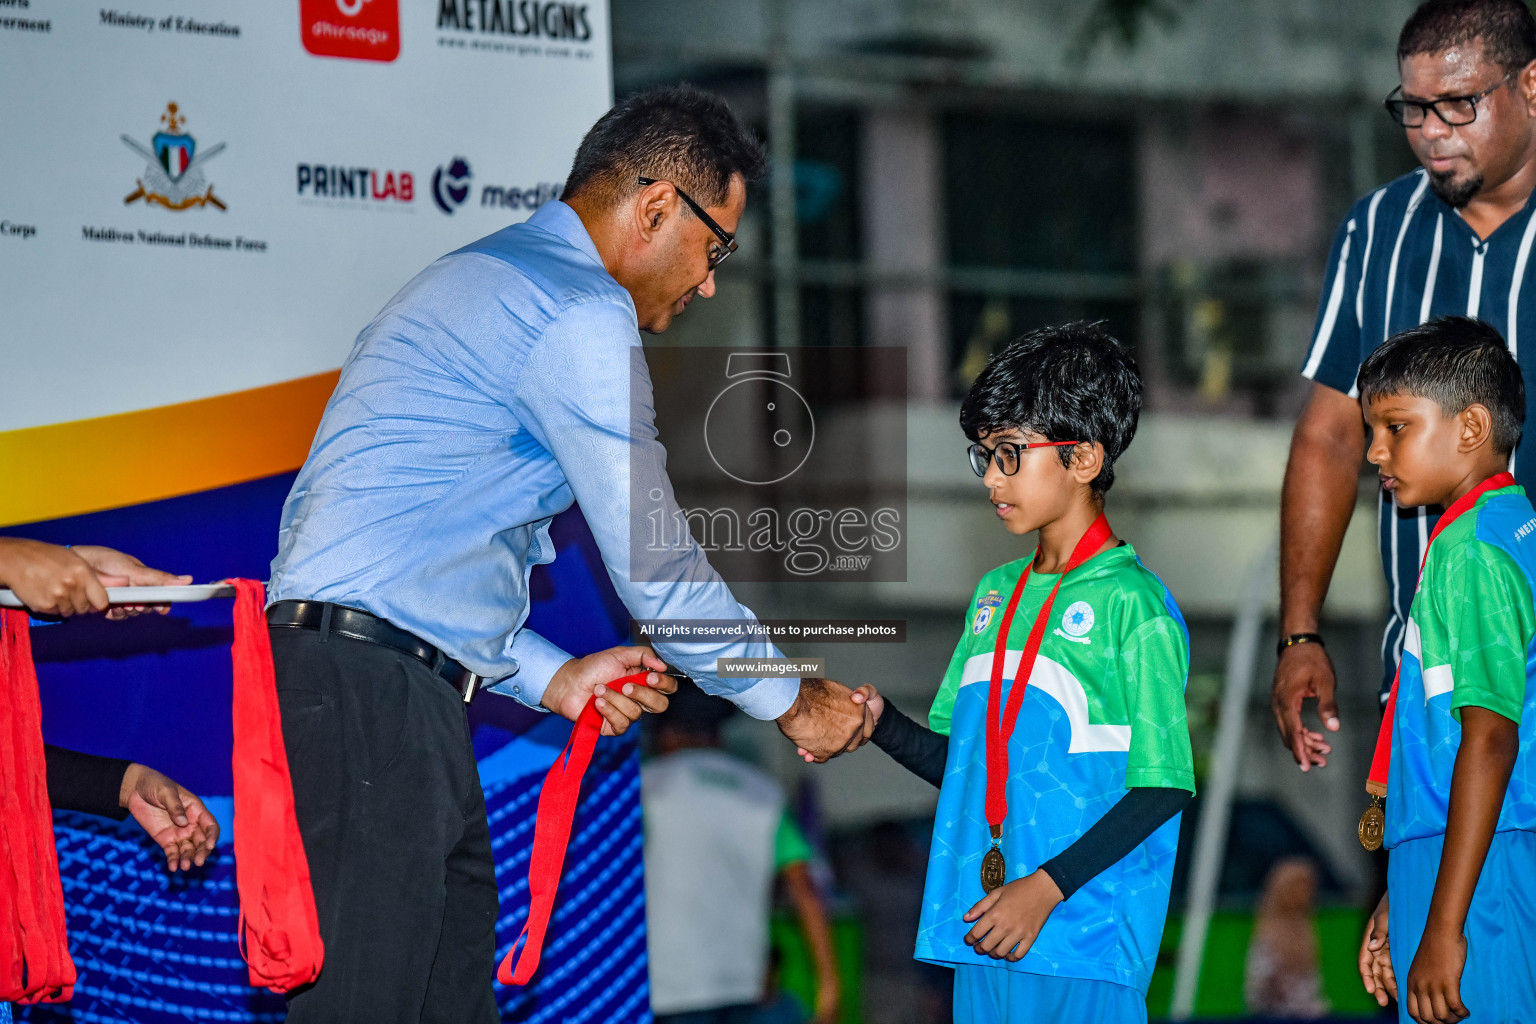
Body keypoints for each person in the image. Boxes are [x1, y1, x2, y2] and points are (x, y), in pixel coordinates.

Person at [265, 85, 869, 1022]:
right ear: (657, 206)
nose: (710, 283)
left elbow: (416, 550)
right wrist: (791, 695)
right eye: (716, 250)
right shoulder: (576, 308)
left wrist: (552, 678)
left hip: (380, 685)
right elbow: (658, 570)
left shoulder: (489, 278)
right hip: (371, 697)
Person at [814, 324, 1195, 1023]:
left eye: (1010, 455)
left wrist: (1044, 889)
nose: (991, 478)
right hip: (986, 929)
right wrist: (880, 726)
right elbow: (969, 767)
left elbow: (1164, 786)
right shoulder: (995, 593)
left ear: (1082, 457)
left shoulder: (1132, 605)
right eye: (984, 456)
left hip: (1081, 938)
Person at [1274, 0, 1536, 770]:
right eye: (1413, 109)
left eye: (1458, 105)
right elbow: (1328, 435)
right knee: (1426, 889)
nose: (1430, 133)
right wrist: (1300, 631)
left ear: (1531, 84)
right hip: (1427, 678)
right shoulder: (1376, 230)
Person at [1352, 318, 1536, 1024]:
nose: (1375, 450)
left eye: (1395, 427)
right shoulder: (1502, 527)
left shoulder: (1472, 550)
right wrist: (1407, 899)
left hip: (1481, 878)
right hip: (1457, 859)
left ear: (1471, 427)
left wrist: (1442, 926)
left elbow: (1490, 738)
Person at [643, 678, 840, 1024]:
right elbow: (804, 890)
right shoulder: (763, 794)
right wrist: (828, 983)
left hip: (668, 985)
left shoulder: (646, 786)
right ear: (719, 735)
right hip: (747, 982)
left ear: (666, 734)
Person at [1245, 858, 1329, 1019]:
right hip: (1273, 1015)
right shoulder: (1268, 930)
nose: (1307, 894)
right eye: (1299, 887)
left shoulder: (1306, 927)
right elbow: (1259, 985)